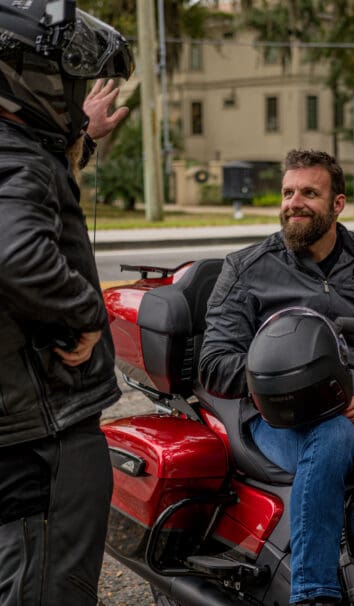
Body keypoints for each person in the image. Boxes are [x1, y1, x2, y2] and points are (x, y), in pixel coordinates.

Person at [199, 149, 354, 605]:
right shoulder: (246, 268)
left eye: (308, 193)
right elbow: (215, 362)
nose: (293, 202)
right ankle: (313, 593)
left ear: (337, 204)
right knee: (334, 433)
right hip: (277, 419)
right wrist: (285, 380)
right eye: (287, 192)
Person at [0, 2, 133, 605]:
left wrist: (79, 135)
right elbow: (18, 255)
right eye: (64, 80)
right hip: (42, 434)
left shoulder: (18, 145)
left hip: (18, 421)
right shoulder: (19, 159)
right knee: (47, 585)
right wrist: (85, 311)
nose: (73, 94)